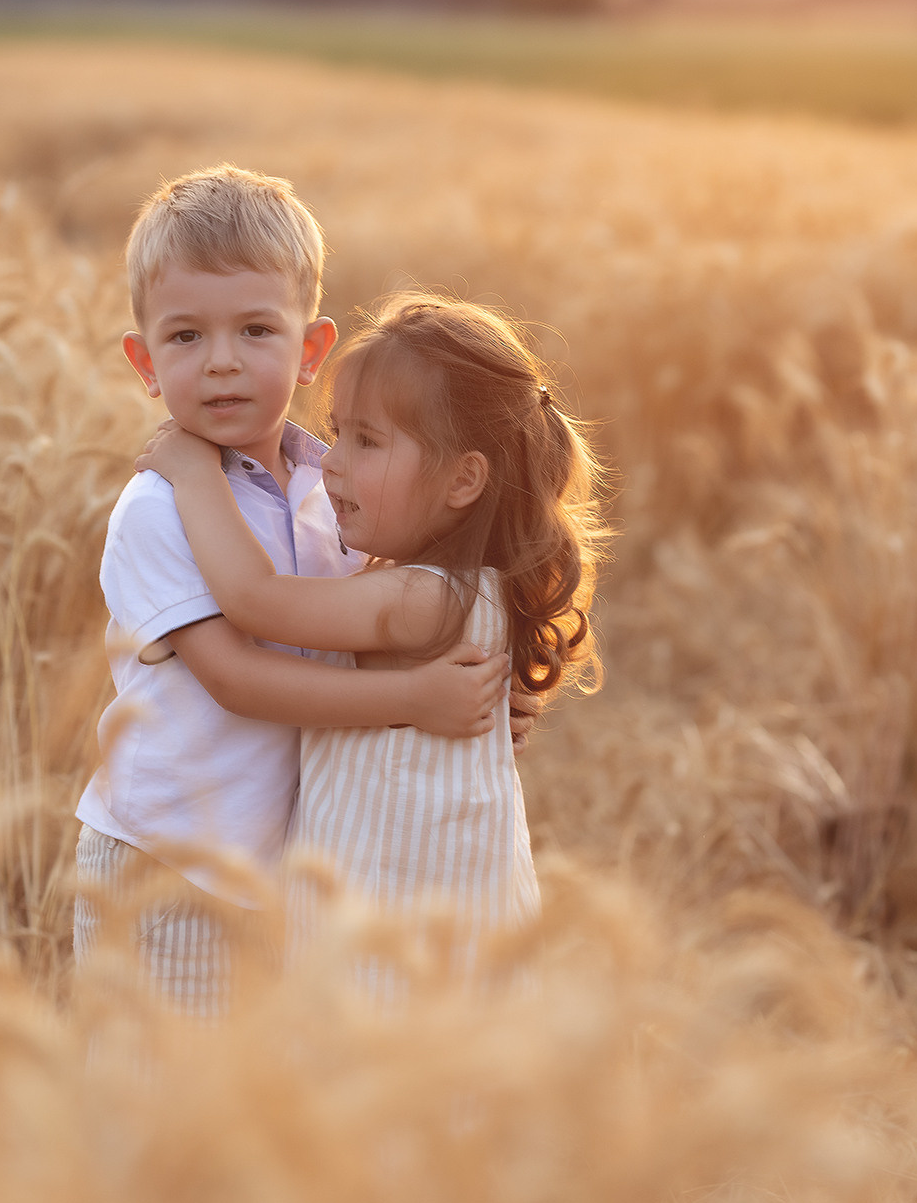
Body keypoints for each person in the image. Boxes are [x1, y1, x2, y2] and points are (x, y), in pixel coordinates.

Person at [75, 168, 510, 1015]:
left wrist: (486, 701)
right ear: (145, 362)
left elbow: (374, 624)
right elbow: (236, 680)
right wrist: (413, 698)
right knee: (160, 1115)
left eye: (255, 330)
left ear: (311, 351)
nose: (224, 361)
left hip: (283, 866)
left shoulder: (329, 486)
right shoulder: (158, 507)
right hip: (172, 868)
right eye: (186, 337)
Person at [138, 292, 608, 997]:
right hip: (394, 925)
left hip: (399, 945)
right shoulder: (438, 591)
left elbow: (256, 602)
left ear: (463, 479)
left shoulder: (426, 599)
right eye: (335, 430)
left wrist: (194, 472)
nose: (332, 463)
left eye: (367, 441)